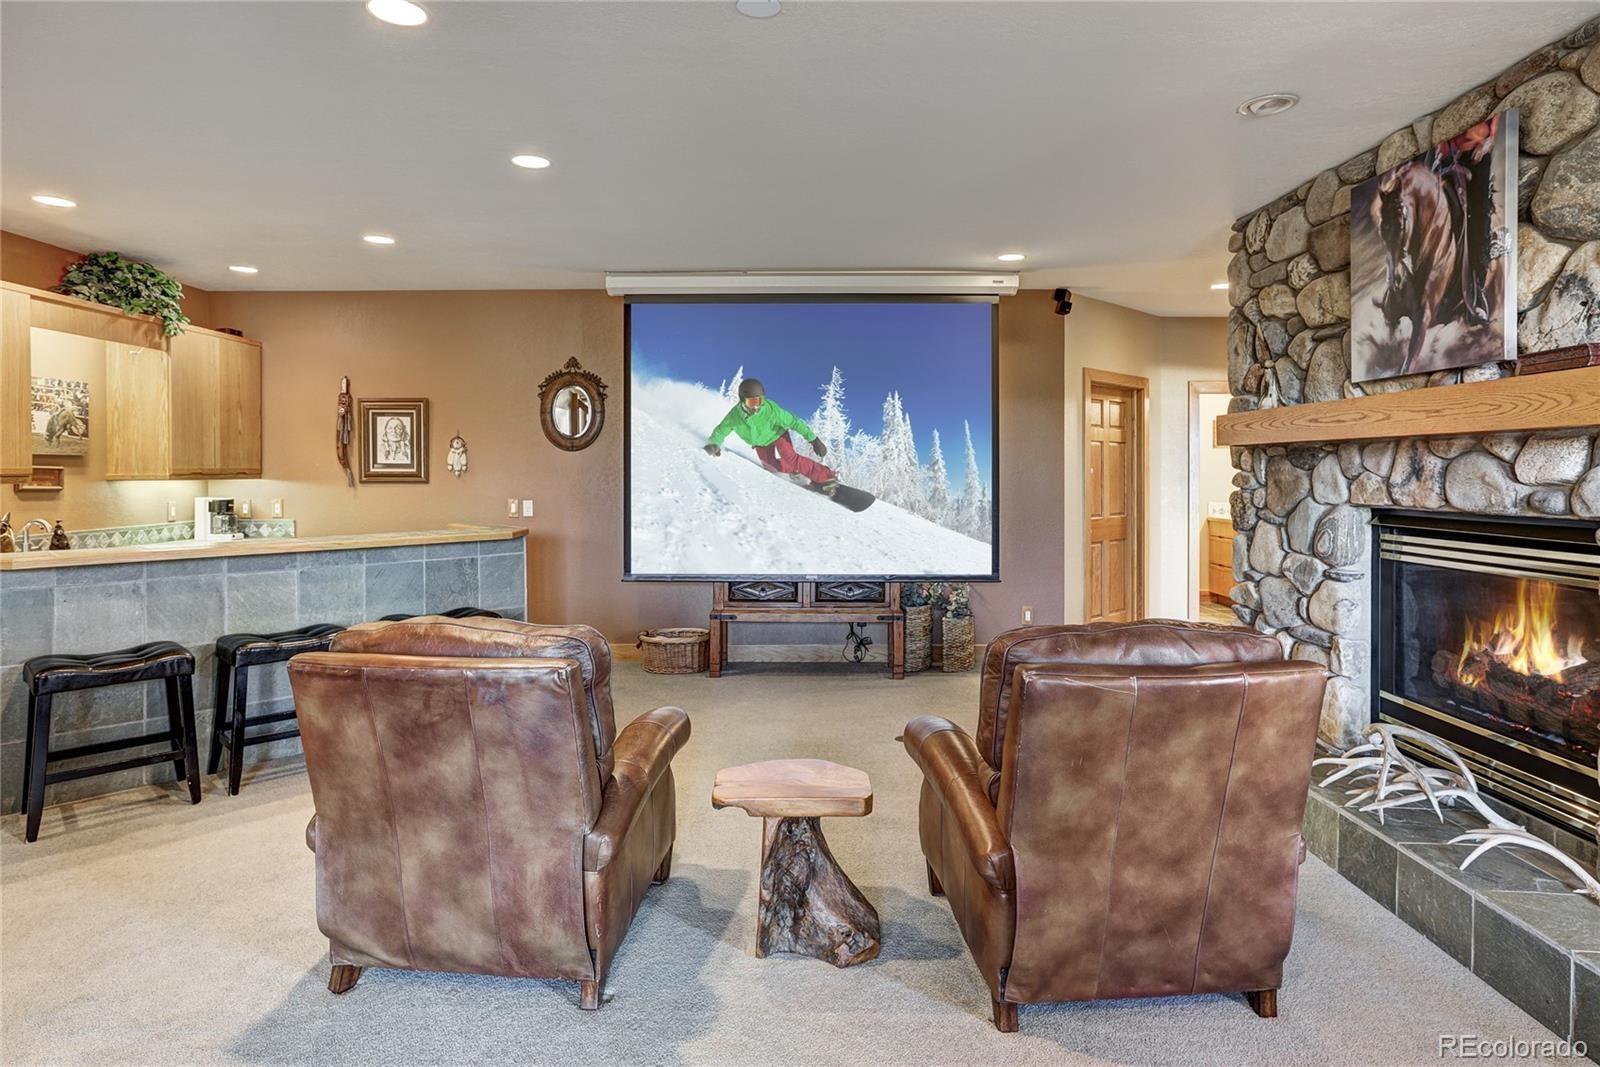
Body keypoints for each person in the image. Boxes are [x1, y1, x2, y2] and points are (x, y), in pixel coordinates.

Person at [703, 378, 837, 493]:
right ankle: (793, 470)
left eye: (760, 401)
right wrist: (714, 443)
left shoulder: (771, 410)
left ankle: (826, 477)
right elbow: (721, 430)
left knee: (790, 457)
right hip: (760, 443)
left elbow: (794, 422)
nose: (757, 406)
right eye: (752, 402)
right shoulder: (734, 416)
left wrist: (813, 440)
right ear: (742, 400)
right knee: (770, 466)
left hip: (777, 435)